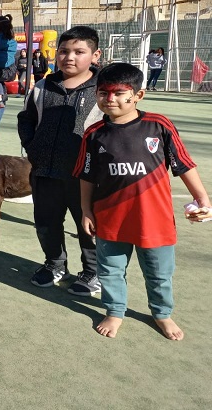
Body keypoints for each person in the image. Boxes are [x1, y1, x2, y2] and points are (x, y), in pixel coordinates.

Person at [76, 62, 211, 340]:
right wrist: (86, 210)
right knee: (111, 270)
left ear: (138, 95)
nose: (109, 98)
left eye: (118, 92)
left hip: (155, 220)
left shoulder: (158, 125)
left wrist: (202, 199)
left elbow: (183, 165)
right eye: (103, 93)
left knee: (159, 273)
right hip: (110, 218)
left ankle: (162, 314)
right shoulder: (93, 134)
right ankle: (114, 311)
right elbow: (86, 176)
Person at [18, 26, 104, 295]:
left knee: (87, 226)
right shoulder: (43, 86)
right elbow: (26, 120)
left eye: (79, 52)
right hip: (45, 171)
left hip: (85, 178)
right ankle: (55, 264)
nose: (70, 57)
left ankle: (93, 272)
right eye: (64, 51)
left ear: (95, 55)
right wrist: (34, 148)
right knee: (46, 222)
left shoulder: (104, 89)